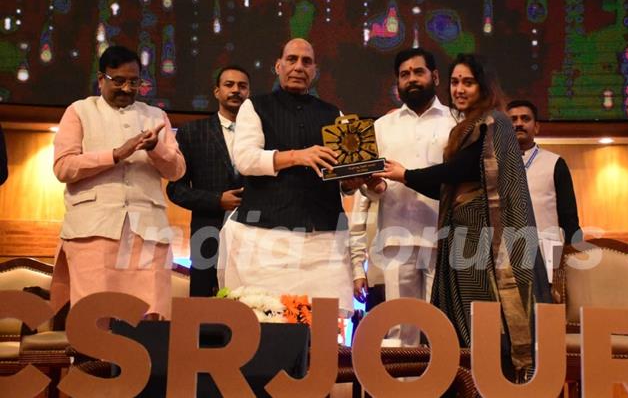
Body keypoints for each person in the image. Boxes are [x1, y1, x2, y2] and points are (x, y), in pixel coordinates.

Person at [378, 53, 551, 380]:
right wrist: (400, 179)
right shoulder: (464, 128)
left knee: (480, 320)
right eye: (456, 82)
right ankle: (462, 383)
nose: (459, 89)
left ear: (482, 85)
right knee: (456, 323)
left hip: (483, 240)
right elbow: (449, 187)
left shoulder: (494, 122)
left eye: (467, 82)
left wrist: (406, 175)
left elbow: (462, 169)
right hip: (461, 235)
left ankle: (490, 383)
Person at [217, 38, 356, 314]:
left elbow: (343, 179)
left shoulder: (334, 114)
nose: (298, 67)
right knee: (264, 325)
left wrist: (356, 181)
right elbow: (245, 159)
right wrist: (297, 156)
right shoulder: (255, 106)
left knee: (323, 334)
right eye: (291, 60)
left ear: (315, 70)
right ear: (278, 66)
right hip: (265, 239)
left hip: (324, 240)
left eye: (306, 61)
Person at [50, 45, 185, 320]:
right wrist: (115, 154)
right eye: (119, 81)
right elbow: (64, 167)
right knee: (95, 317)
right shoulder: (79, 111)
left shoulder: (155, 116)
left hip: (148, 232)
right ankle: (93, 365)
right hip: (93, 232)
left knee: (151, 317)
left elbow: (177, 171)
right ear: (101, 79)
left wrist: (154, 148)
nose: (126, 88)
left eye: (134, 82)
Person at [355, 48, 456, 346]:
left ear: (435, 76)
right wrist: (372, 186)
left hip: (445, 237)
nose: (411, 79)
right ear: (397, 82)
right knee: (401, 331)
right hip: (397, 237)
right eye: (404, 74)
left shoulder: (455, 121)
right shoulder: (381, 127)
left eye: (418, 72)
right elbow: (367, 187)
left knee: (442, 330)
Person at [166, 66, 250, 296]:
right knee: (201, 314)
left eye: (242, 86)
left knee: (254, 311)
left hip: (253, 237)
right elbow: (176, 190)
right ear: (216, 92)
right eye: (229, 85)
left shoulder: (262, 134)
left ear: (249, 93)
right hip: (207, 236)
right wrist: (217, 200)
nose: (236, 91)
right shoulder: (192, 133)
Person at [507, 99, 582, 283]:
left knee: (545, 311)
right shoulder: (494, 165)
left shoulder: (555, 163)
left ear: (537, 127)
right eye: (513, 119)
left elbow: (569, 218)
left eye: (525, 119)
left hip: (547, 258)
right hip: (506, 257)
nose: (518, 124)